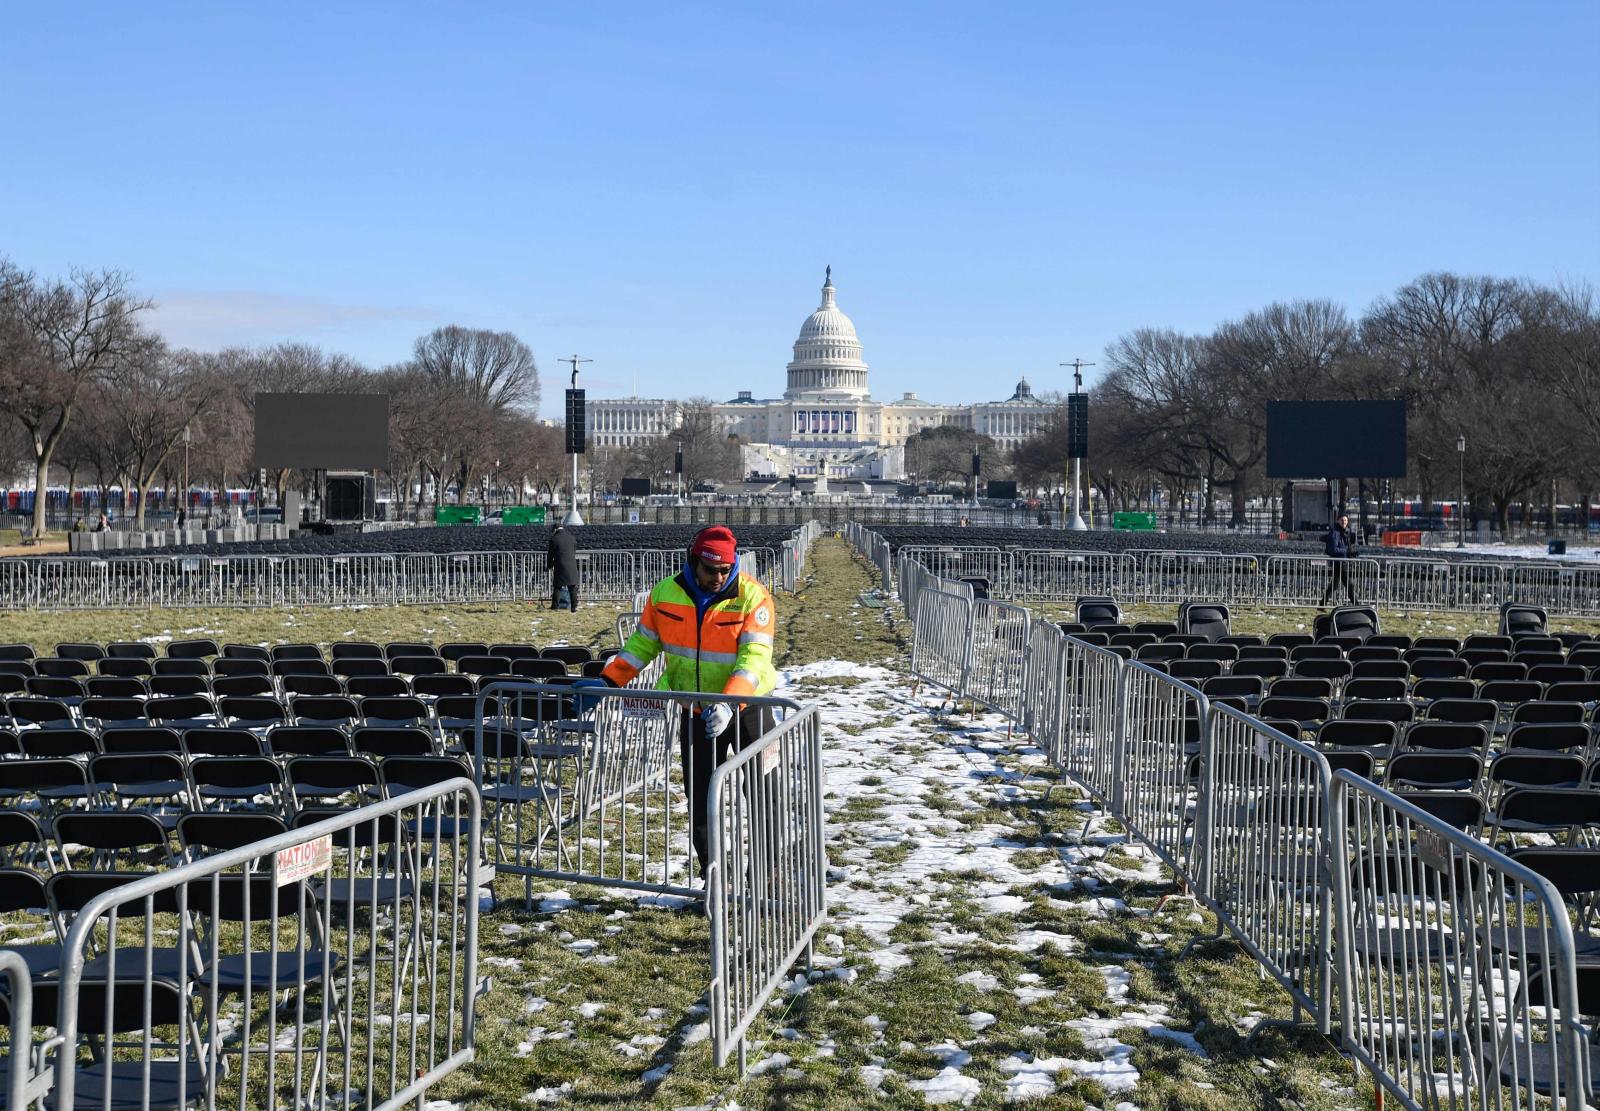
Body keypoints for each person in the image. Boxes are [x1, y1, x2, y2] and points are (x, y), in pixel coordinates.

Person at [581, 524, 778, 872]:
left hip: (749, 709)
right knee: (700, 798)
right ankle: (713, 875)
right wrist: (608, 682)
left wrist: (730, 703)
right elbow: (642, 646)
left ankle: (766, 874)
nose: (718, 577)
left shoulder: (754, 597)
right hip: (695, 709)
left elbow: (754, 659)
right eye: (710, 569)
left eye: (725, 570)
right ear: (693, 562)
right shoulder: (664, 595)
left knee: (764, 792)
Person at [1320, 512, 1359, 606]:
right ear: (1338, 521)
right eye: (1342, 520)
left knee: (1334, 585)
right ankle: (1356, 605)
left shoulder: (1342, 532)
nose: (1344, 522)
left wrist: (1350, 553)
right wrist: (1346, 551)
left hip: (1342, 561)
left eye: (1345, 520)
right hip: (1339, 562)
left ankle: (1322, 603)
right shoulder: (1335, 533)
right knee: (1349, 584)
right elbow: (1334, 549)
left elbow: (1342, 548)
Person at [547, 524, 579, 611]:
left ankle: (555, 606)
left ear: (555, 530)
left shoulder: (554, 539)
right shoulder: (571, 537)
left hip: (560, 565)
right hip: (571, 565)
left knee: (557, 587)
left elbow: (550, 555)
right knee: (572, 587)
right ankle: (574, 607)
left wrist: (549, 565)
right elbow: (574, 550)